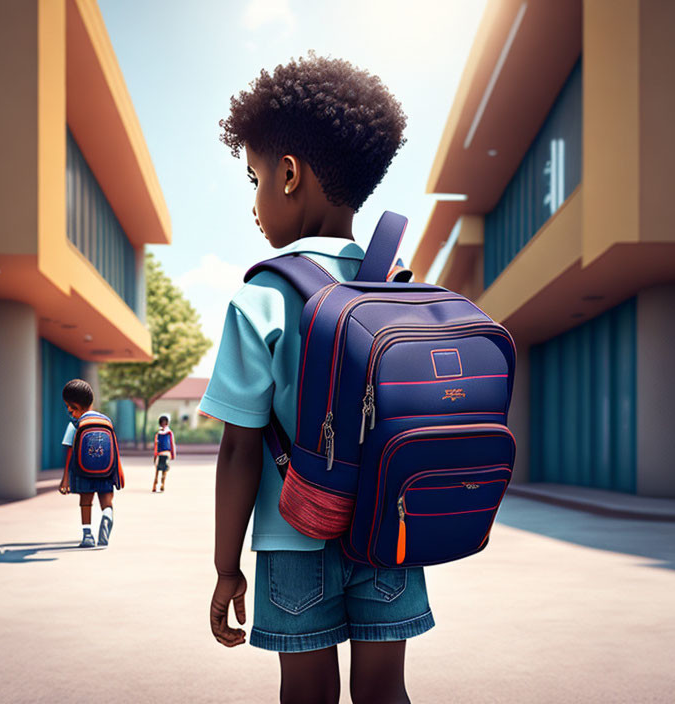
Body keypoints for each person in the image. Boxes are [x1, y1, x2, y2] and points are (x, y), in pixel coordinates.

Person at [199, 53, 433, 704]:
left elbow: (240, 447)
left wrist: (226, 568)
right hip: (391, 528)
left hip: (293, 538)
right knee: (386, 692)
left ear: (291, 174)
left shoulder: (262, 297)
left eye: (255, 178)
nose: (254, 202)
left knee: (307, 695)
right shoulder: (398, 284)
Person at [58, 379, 122, 548]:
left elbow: (70, 451)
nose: (69, 411)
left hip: (83, 471)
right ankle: (107, 514)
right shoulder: (106, 421)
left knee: (86, 501)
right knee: (106, 501)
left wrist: (65, 479)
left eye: (69, 406)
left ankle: (88, 535)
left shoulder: (74, 424)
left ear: (73, 406)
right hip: (106, 470)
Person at [152, 414, 176, 493]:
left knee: (161, 470)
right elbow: (157, 446)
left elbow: (171, 444)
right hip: (163, 453)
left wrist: (172, 454)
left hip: (164, 453)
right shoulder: (163, 433)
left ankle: (159, 485)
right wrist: (173, 455)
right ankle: (158, 485)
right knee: (161, 470)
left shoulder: (164, 433)